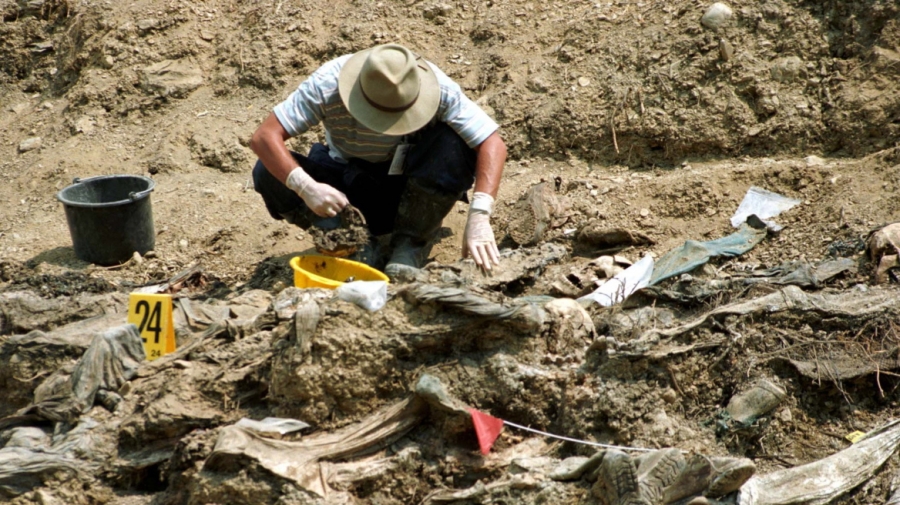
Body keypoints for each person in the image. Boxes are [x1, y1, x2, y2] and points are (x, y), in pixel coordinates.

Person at [249, 43, 505, 279]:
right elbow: (264, 137)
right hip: (342, 193)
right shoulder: (328, 83)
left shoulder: (438, 88)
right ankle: (351, 242)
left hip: (406, 192)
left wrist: (480, 215)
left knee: (453, 142)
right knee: (267, 171)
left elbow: (491, 142)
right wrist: (306, 187)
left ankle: (411, 243)